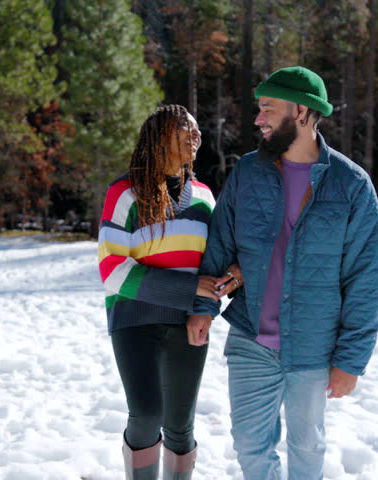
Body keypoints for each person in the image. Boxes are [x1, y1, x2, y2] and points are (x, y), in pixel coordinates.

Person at [187, 66, 378, 479]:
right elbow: (219, 247)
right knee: (249, 445)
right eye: (259, 109)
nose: (258, 119)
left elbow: (364, 280)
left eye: (268, 109)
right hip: (249, 340)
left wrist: (351, 360)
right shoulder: (247, 172)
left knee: (307, 446)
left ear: (300, 111)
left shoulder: (351, 186)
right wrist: (203, 306)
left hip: (314, 346)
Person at [98, 104, 243, 480]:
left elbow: (212, 267)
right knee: (146, 413)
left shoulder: (205, 197)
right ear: (158, 135)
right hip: (134, 320)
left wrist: (209, 303)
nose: (195, 135)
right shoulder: (125, 192)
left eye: (197, 129)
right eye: (184, 128)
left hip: (188, 323)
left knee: (180, 425)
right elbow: (112, 270)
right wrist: (189, 287)